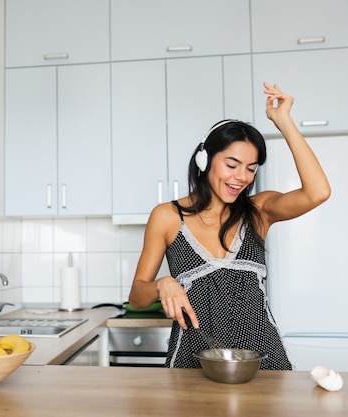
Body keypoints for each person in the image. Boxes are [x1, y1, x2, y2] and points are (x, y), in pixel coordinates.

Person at [127, 82, 331, 369]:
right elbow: (136, 297)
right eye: (232, 164)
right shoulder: (168, 217)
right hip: (191, 363)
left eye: (251, 168)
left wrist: (283, 121)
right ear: (205, 159)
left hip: (265, 363)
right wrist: (162, 284)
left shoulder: (259, 212)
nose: (241, 177)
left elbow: (318, 192)